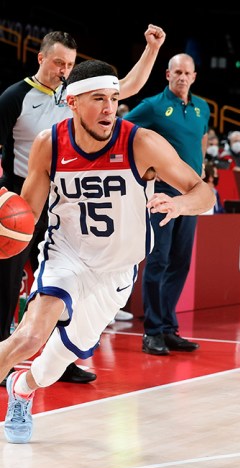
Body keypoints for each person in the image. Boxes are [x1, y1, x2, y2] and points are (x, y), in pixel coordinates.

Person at [1, 59, 215, 444]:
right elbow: (28, 215)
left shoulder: (141, 142)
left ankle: (23, 386)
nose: (108, 108)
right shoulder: (50, 144)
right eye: (98, 98)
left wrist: (181, 204)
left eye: (114, 99)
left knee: (52, 365)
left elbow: (203, 191)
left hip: (116, 271)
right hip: (66, 254)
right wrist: (7, 222)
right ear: (73, 102)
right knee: (30, 337)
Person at [0, 25, 166, 385]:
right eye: (59, 62)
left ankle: (58, 360)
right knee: (9, 284)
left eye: (70, 64)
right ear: (41, 58)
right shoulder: (14, 97)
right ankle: (8, 357)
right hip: (22, 199)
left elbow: (129, 85)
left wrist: (152, 49)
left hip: (69, 199)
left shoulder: (78, 95)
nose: (64, 69)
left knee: (59, 292)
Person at [124, 53, 211, 356]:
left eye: (187, 73)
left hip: (190, 194)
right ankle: (152, 332)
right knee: (158, 259)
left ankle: (168, 327)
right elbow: (123, 131)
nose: (182, 77)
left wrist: (201, 169)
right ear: (167, 74)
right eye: (177, 72)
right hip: (160, 191)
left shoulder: (203, 108)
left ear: (194, 76)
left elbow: (202, 139)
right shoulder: (153, 106)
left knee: (180, 261)